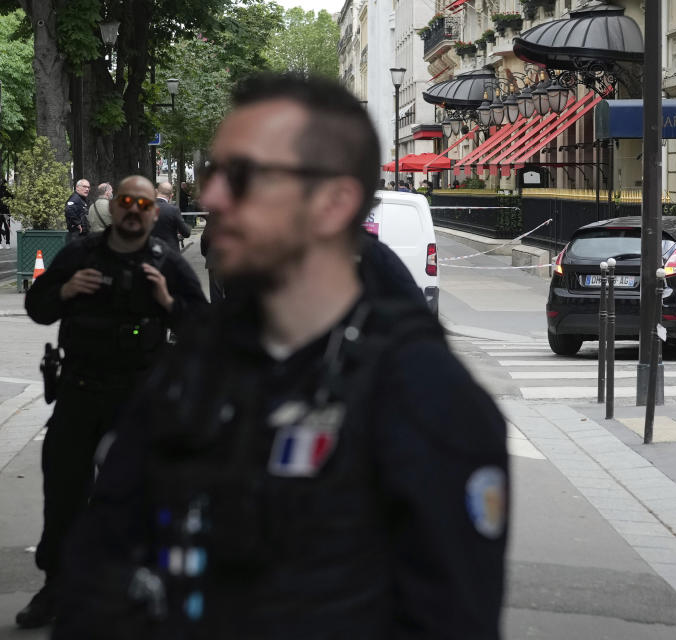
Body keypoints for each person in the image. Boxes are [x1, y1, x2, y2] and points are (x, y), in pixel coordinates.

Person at [54, 73, 507, 639]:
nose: (214, 198)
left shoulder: (427, 398)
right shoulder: (196, 365)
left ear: (332, 202)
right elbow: (99, 564)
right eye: (212, 175)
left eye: (242, 176)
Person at [17, 175, 207, 630]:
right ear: (114, 206)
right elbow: (38, 307)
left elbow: (204, 328)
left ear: (153, 211)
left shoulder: (164, 263)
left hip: (139, 399)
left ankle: (137, 587)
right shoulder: (81, 254)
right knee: (63, 494)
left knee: (139, 497)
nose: (136, 210)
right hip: (80, 393)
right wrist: (63, 291)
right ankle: (56, 586)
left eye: (145, 203)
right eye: (127, 201)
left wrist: (166, 301)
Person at [151, 181, 192, 250]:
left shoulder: (145, 208)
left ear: (157, 192)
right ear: (171, 195)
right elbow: (186, 233)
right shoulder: (173, 210)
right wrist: (188, 226)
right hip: (170, 253)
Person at [0, 181, 11, 249]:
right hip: (3, 212)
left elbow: (12, 198)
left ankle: (7, 243)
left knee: (7, 228)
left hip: (6, 212)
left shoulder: (7, 190)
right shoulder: (8, 190)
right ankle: (3, 243)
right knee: (6, 228)